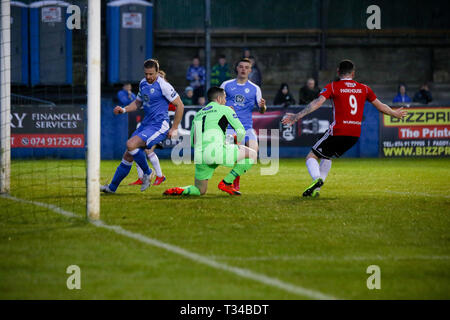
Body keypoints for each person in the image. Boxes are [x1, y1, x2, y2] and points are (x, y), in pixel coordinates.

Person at [282, 60, 408, 197]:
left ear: (338, 72)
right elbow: (380, 106)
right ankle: (316, 190)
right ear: (353, 73)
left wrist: (297, 116)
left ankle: (317, 179)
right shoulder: (364, 88)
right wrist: (395, 113)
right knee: (326, 156)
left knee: (311, 156)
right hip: (354, 135)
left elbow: (317, 103)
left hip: (339, 131)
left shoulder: (333, 86)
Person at [100, 59, 184, 193]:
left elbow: (180, 105)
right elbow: (137, 103)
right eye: (146, 74)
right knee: (128, 155)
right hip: (146, 124)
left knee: (131, 144)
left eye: (151, 74)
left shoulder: (164, 86)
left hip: (159, 126)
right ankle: (112, 188)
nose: (148, 77)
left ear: (157, 72)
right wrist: (124, 109)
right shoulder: (143, 83)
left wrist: (174, 128)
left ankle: (148, 172)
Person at [163, 87, 257, 196]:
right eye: (225, 98)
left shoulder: (198, 114)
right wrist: (236, 142)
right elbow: (241, 131)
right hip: (217, 152)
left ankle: (180, 189)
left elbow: (193, 141)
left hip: (200, 155)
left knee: (199, 190)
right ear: (219, 98)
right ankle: (227, 182)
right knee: (252, 154)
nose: (226, 101)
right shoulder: (226, 109)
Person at [220, 57, 266, 191]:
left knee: (253, 152)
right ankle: (232, 181)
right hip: (229, 128)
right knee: (231, 156)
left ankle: (231, 180)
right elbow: (217, 103)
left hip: (247, 127)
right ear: (237, 68)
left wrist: (263, 106)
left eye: (246, 67)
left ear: (250, 70)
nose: (243, 69)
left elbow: (261, 110)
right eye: (241, 67)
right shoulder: (226, 85)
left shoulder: (255, 88)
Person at [129, 69, 172, 186]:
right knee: (139, 150)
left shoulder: (164, 90)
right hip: (148, 124)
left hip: (158, 126)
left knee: (146, 150)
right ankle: (142, 177)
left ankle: (159, 176)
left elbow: (175, 105)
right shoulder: (148, 88)